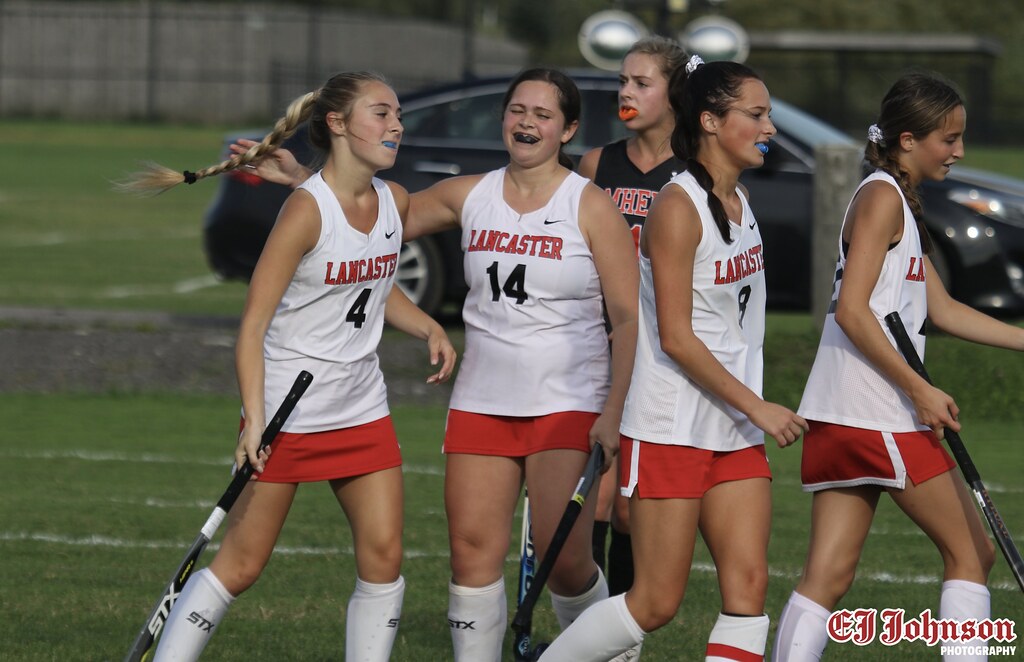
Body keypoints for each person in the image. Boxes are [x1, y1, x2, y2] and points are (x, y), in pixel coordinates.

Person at [234, 67, 640, 661]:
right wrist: (303, 180)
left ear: (568, 129)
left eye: (543, 115)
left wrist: (613, 409)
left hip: (567, 400)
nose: (526, 122)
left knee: (566, 561)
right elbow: (363, 222)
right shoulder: (470, 193)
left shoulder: (592, 207)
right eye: (517, 110)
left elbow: (628, 320)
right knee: (472, 554)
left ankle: (612, 651)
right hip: (481, 400)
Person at [118, 71, 457, 661]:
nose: (396, 124)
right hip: (287, 413)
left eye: (397, 113)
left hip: (361, 406)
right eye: (381, 113)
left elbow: (370, 278)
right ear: (338, 123)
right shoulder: (303, 212)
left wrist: (426, 323)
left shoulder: (392, 201)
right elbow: (252, 325)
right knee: (243, 564)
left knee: (383, 559)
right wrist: (253, 419)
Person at [537, 55, 808, 662]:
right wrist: (759, 407)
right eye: (757, 115)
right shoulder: (677, 206)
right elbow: (679, 338)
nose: (769, 128)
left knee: (748, 590)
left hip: (733, 430)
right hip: (673, 429)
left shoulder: (739, 203)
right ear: (710, 120)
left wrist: (747, 412)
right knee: (656, 602)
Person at [771, 72, 1024, 662]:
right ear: (907, 139)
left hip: (842, 410)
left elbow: (944, 310)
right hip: (878, 409)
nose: (959, 151)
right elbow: (854, 311)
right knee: (972, 554)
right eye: (949, 139)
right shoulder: (883, 196)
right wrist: (920, 390)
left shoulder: (893, 201)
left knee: (826, 576)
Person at [577, 34, 687, 602]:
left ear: (674, 94)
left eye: (642, 83)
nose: (627, 92)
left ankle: (621, 634)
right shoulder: (598, 164)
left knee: (626, 507)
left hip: (663, 355)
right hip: (600, 346)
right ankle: (589, 630)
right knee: (593, 498)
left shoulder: (693, 173)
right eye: (623, 81)